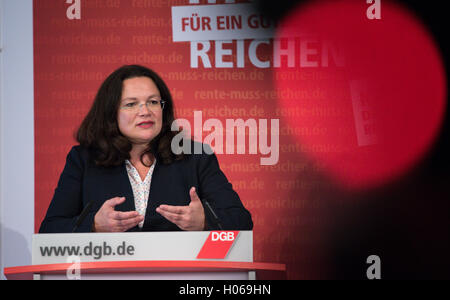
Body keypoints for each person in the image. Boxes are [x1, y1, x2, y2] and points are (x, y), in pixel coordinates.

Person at [39, 65, 253, 233]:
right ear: (110, 113)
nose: (145, 111)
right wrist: (93, 225)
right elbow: (50, 229)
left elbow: (242, 221)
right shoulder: (83, 160)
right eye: (131, 104)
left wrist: (204, 221)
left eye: (152, 102)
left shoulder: (195, 157)